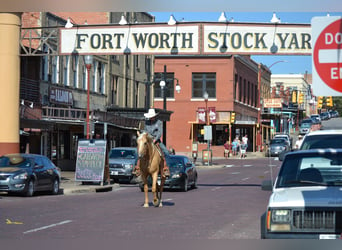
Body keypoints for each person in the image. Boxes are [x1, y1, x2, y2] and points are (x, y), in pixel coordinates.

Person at [132, 108, 170, 178]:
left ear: (154, 116)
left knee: (166, 152)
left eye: (152, 117)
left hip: (156, 140)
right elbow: (143, 131)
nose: (151, 118)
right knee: (139, 151)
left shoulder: (159, 122)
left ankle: (165, 168)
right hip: (147, 140)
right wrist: (143, 136)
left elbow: (159, 132)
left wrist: (155, 139)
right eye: (150, 117)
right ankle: (137, 168)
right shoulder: (146, 122)